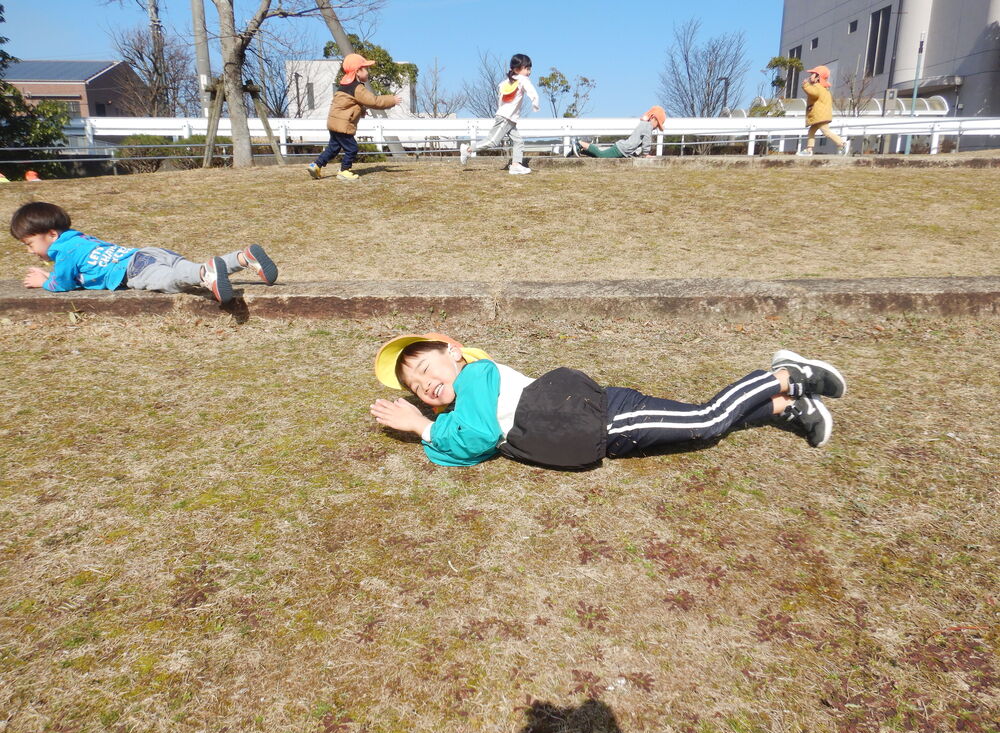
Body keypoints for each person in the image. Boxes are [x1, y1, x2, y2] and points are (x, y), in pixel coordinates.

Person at [370, 333, 847, 469]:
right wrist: (430, 427)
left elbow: (474, 440)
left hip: (603, 416)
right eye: (414, 387)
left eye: (427, 369)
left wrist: (420, 426)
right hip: (604, 434)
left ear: (452, 352)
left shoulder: (476, 376)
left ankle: (785, 373)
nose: (424, 384)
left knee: (707, 420)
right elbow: (457, 456)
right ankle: (787, 405)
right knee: (694, 429)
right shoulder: (459, 409)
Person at [10, 201, 277, 305]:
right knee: (177, 268)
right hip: (146, 253)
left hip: (133, 270)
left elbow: (62, 284)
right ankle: (243, 258)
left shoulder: (63, 252)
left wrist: (43, 280)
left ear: (52, 235)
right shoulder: (79, 238)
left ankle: (203, 273)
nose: (31, 251)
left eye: (30, 243)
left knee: (169, 281)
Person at [307, 53, 402, 182]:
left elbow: (348, 103)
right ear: (357, 71)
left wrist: (361, 110)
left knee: (333, 148)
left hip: (333, 122)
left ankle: (316, 165)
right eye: (366, 69)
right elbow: (373, 101)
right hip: (343, 125)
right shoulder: (357, 87)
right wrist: (392, 100)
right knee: (352, 148)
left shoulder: (344, 85)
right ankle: (344, 170)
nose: (368, 72)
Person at [459, 53, 540, 175]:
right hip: (506, 118)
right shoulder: (522, 80)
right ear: (518, 69)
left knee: (518, 141)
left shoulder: (506, 82)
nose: (529, 71)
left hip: (508, 118)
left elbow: (500, 99)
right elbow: (532, 91)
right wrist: (535, 103)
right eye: (527, 68)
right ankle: (468, 149)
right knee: (492, 141)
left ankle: (516, 165)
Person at [574, 106, 666, 158]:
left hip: (623, 149)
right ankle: (579, 143)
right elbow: (647, 141)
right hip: (621, 149)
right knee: (602, 155)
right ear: (653, 118)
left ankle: (580, 150)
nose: (656, 127)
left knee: (601, 156)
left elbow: (638, 142)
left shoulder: (644, 124)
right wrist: (646, 154)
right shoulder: (647, 126)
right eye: (657, 124)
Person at [798, 65, 848, 156]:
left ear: (818, 77)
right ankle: (809, 149)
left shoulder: (817, 87)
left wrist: (805, 85)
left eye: (813, 74)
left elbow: (813, 93)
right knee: (812, 131)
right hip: (821, 115)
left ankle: (842, 144)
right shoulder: (824, 89)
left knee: (826, 132)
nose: (810, 76)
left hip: (820, 115)